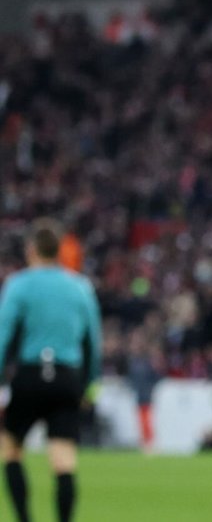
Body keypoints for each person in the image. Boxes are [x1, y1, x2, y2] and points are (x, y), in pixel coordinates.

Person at [0, 219, 101, 522]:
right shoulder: (80, 286)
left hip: (30, 375)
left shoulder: (19, 284)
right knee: (63, 458)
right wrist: (90, 384)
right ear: (59, 251)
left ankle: (24, 518)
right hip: (67, 378)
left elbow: (3, 335)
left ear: (31, 249)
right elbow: (93, 341)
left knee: (10, 448)